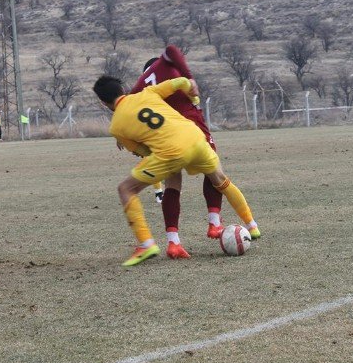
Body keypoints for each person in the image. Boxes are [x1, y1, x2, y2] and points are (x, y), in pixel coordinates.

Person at [92, 75, 261, 267]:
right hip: (196, 138)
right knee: (221, 181)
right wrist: (193, 92)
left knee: (126, 189)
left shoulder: (116, 127)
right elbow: (179, 82)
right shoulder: (148, 92)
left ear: (103, 102)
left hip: (170, 152)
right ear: (123, 90)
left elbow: (142, 151)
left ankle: (149, 243)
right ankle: (252, 226)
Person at [130, 45, 225, 260]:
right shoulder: (172, 78)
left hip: (166, 139)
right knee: (214, 171)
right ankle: (215, 225)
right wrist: (190, 80)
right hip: (191, 131)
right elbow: (172, 50)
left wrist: (130, 142)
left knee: (173, 184)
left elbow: (129, 112)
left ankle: (173, 243)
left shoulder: (143, 92)